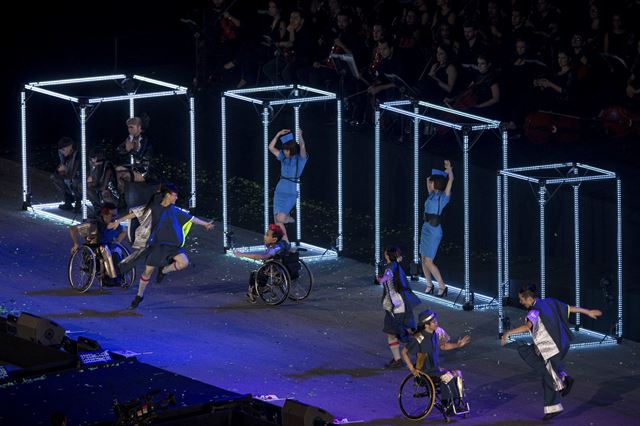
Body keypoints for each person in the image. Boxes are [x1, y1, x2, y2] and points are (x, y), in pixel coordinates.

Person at [501, 284, 602, 421]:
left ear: (528, 298)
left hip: (549, 348)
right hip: (561, 344)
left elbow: (527, 326)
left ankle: (563, 383)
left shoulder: (534, 311)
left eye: (521, 299)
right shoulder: (550, 302)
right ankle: (559, 388)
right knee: (544, 370)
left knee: (546, 373)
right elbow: (569, 308)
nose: (520, 302)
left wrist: (508, 333)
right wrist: (587, 311)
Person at [108, 183, 213, 309]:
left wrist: (205, 224)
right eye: (175, 195)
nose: (176, 198)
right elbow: (136, 213)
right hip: (157, 245)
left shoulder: (175, 210)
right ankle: (139, 296)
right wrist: (118, 221)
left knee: (184, 262)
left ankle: (164, 270)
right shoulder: (154, 208)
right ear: (168, 195)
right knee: (148, 272)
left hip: (173, 245)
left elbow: (191, 219)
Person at [401, 309, 471, 412]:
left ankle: (457, 401)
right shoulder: (419, 338)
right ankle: (448, 403)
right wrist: (412, 369)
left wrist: (458, 345)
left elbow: (443, 346)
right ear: (426, 325)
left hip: (435, 368)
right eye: (434, 322)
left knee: (458, 374)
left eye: (436, 321)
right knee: (448, 376)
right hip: (425, 370)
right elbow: (404, 352)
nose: (436, 323)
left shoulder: (437, 333)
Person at [376, 246, 421, 368]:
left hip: (397, 306)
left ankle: (421, 359)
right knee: (393, 332)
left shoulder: (391, 267)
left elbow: (386, 277)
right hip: (395, 305)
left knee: (405, 332)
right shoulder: (395, 266)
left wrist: (380, 278)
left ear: (387, 256)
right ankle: (398, 359)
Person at [69, 203, 127, 286]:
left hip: (109, 247)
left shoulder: (116, 225)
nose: (115, 218)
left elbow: (123, 231)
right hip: (94, 250)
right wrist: (75, 244)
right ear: (105, 215)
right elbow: (72, 229)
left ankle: (118, 277)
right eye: (113, 216)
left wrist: (118, 241)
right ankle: (110, 277)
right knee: (105, 249)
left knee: (117, 250)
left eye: (116, 215)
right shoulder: (93, 225)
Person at [233, 223, 290, 303]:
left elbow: (262, 257)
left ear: (274, 239)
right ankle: (263, 288)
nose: (264, 236)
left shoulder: (273, 249)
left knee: (254, 274)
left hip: (273, 270)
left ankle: (255, 292)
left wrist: (242, 254)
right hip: (282, 267)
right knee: (264, 269)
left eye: (267, 235)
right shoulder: (283, 244)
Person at [419, 160, 453, 296]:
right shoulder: (431, 194)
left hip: (434, 230)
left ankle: (442, 286)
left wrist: (448, 169)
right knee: (423, 258)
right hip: (426, 227)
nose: (430, 183)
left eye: (433, 182)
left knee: (429, 260)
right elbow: (428, 179)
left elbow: (451, 179)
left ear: (437, 183)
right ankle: (429, 284)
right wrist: (437, 175)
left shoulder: (443, 197)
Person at [269, 128, 308, 242]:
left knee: (279, 219)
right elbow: (271, 148)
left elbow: (302, 146)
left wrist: (300, 135)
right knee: (277, 222)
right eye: (284, 150)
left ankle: (289, 219)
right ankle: (286, 244)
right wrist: (277, 135)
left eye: (287, 150)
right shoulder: (282, 157)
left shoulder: (300, 160)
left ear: (291, 149)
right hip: (279, 189)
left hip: (290, 191)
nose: (285, 152)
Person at [115, 117, 154, 196]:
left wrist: (131, 150)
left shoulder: (146, 141)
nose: (129, 129)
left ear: (139, 128)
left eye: (132, 127)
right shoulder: (129, 139)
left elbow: (141, 158)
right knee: (115, 170)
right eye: (128, 127)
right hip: (131, 168)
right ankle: (121, 195)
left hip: (143, 171)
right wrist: (126, 150)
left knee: (122, 174)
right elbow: (119, 151)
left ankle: (124, 196)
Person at [51, 136, 81, 212]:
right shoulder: (63, 154)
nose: (62, 151)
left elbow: (74, 172)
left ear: (70, 146)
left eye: (64, 149)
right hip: (69, 174)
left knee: (74, 181)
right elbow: (61, 166)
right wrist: (60, 172)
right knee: (54, 178)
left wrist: (66, 176)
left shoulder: (77, 155)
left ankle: (78, 203)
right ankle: (68, 201)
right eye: (61, 149)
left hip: (79, 176)